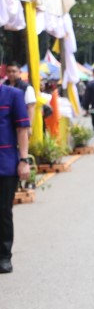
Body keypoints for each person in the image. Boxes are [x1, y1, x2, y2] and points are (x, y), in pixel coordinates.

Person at [0, 80, 31, 274]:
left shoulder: (13, 95)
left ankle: (4, 256)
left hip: (5, 163)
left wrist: (24, 160)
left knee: (3, 211)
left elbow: (22, 129)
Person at [4, 62, 37, 134]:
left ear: (19, 72)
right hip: (5, 124)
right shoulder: (3, 86)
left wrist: (29, 125)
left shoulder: (26, 87)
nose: (11, 74)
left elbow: (31, 107)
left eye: (14, 71)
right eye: (9, 71)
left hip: (21, 123)